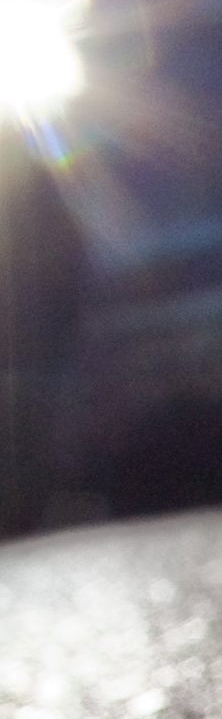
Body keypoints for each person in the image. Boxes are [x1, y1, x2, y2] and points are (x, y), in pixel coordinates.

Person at [0, 131, 86, 535]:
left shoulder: (39, 185)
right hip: (25, 336)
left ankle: (36, 508)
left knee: (36, 416)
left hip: (41, 335)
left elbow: (71, 252)